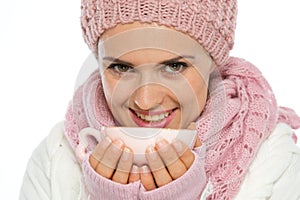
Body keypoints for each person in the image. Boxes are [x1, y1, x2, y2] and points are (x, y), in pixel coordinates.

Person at [19, 0, 300, 199]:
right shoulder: (56, 158)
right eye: (121, 67)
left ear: (214, 63)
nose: (145, 100)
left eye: (175, 67)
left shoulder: (275, 162)